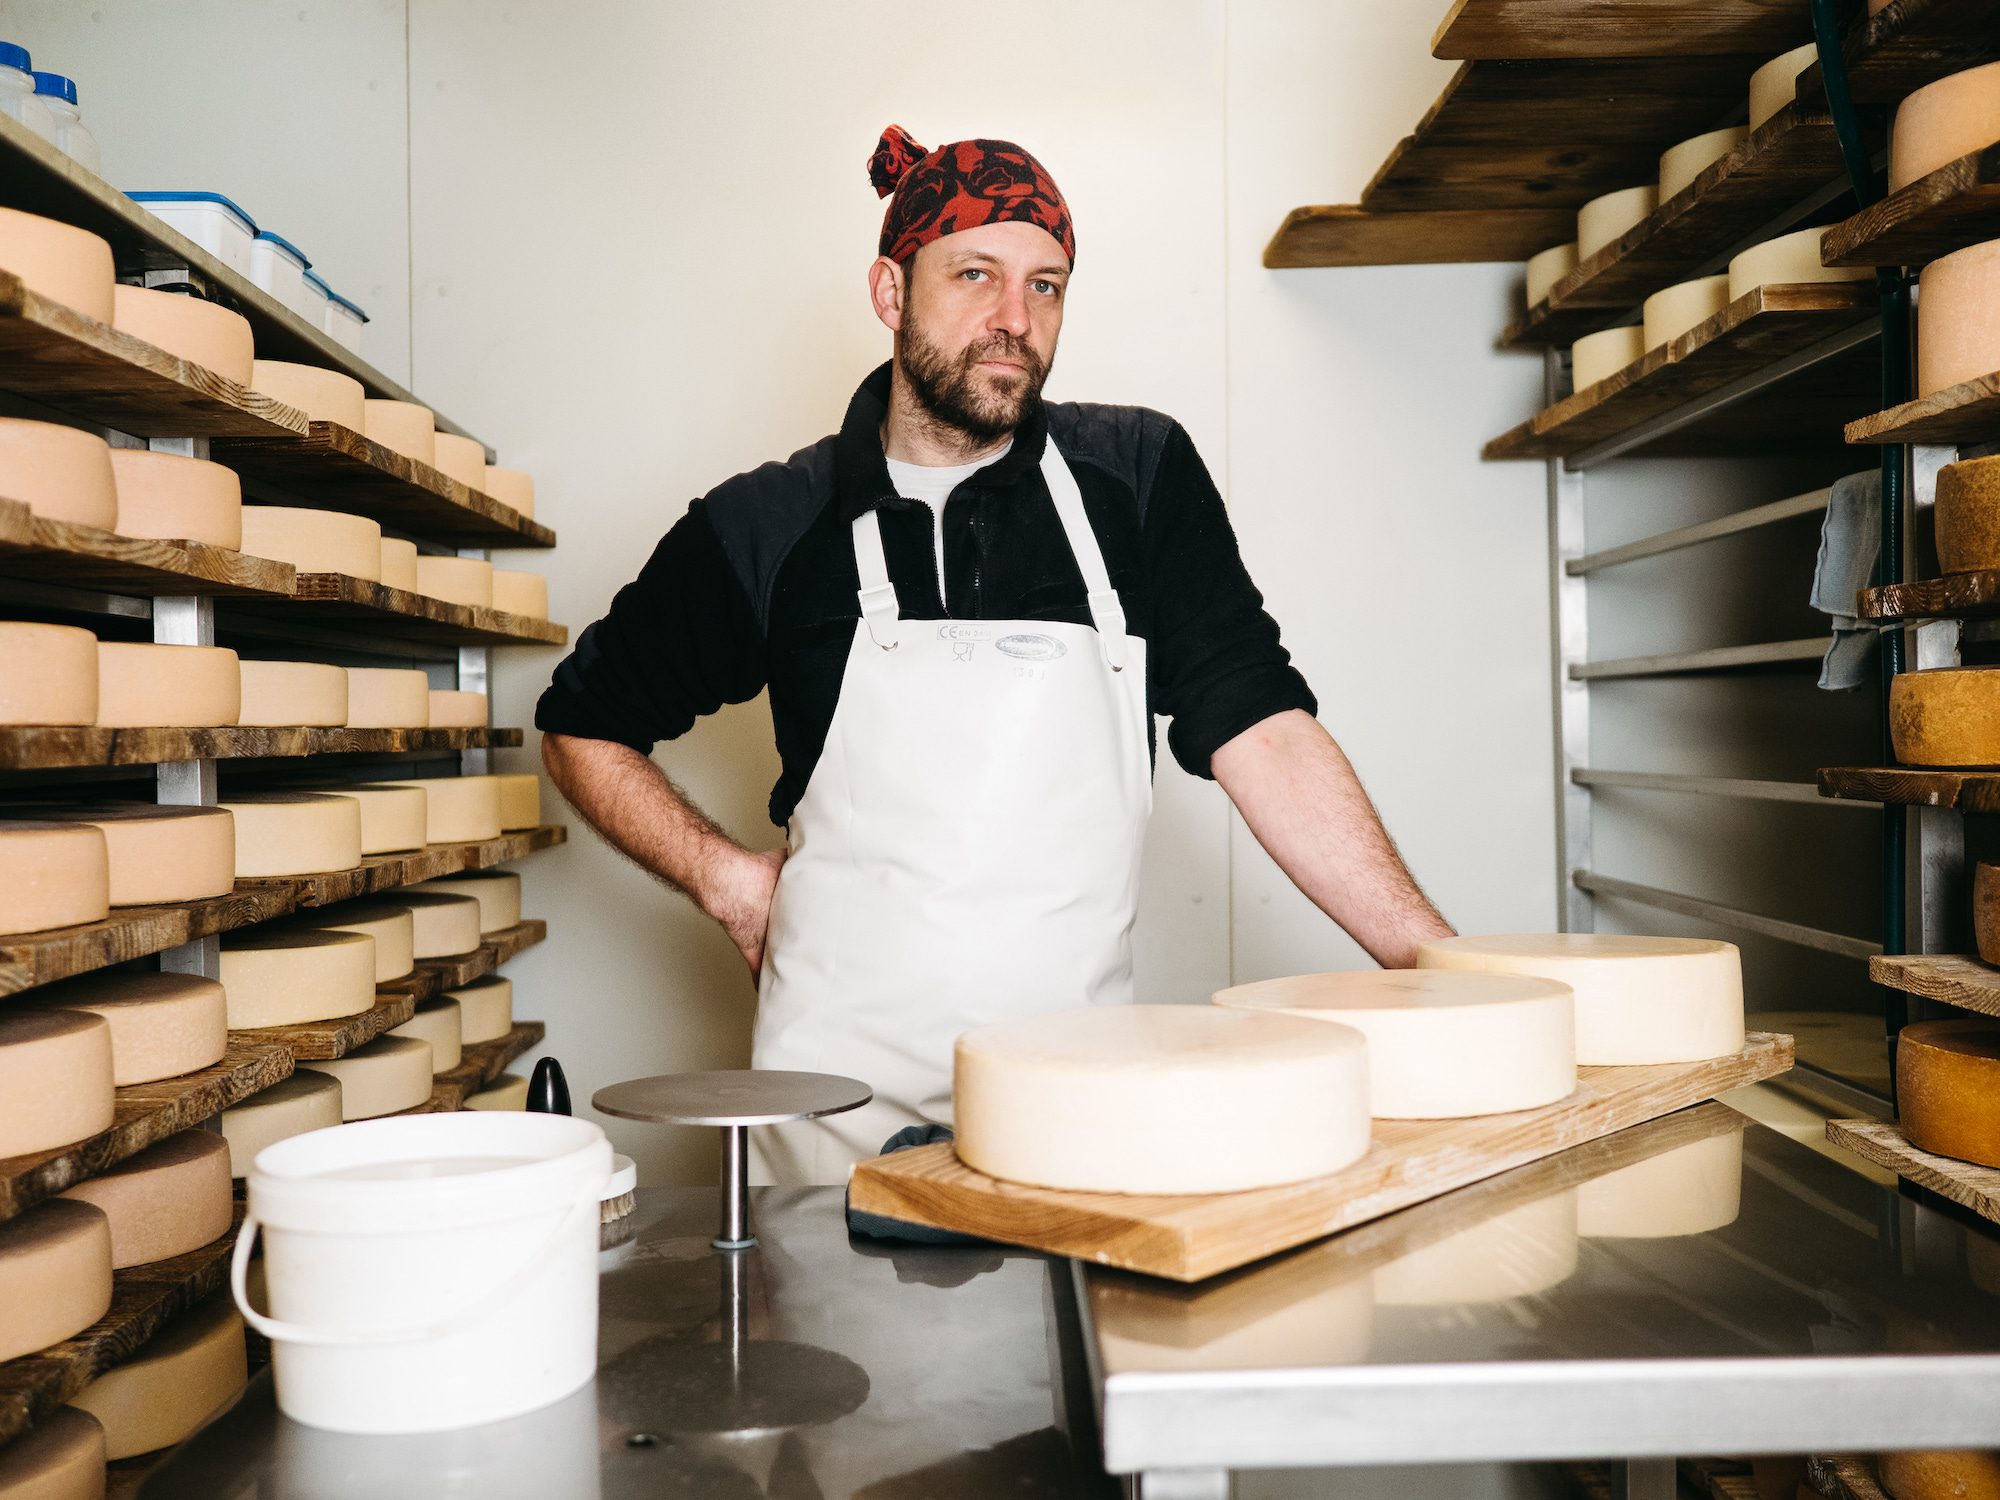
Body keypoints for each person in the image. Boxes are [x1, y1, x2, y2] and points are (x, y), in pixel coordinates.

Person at [536, 124, 1453, 1184]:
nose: (1014, 321)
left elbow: (1258, 727)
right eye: (974, 274)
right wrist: (726, 880)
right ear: (890, 291)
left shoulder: (1136, 479)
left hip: (1075, 1105)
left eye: (1046, 285)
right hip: (834, 1123)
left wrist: (1437, 967)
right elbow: (580, 725)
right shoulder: (770, 523)